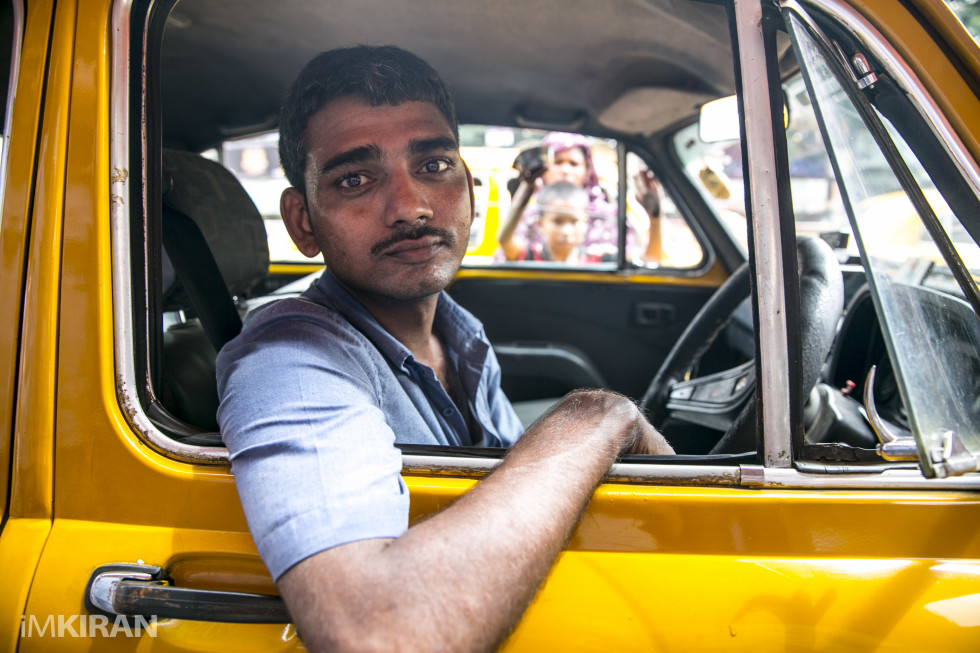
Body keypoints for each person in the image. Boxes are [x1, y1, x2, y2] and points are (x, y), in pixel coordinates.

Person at [216, 45, 673, 652]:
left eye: (432, 165)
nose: (410, 208)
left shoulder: (458, 334)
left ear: (473, 192)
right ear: (303, 222)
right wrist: (595, 416)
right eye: (356, 179)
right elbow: (379, 635)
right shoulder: (289, 360)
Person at [500, 131, 665, 264]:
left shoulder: (611, 218)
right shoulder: (527, 216)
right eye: (558, 162)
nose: (565, 170)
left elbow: (644, 262)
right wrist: (527, 186)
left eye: (573, 164)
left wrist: (655, 216)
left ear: (587, 169)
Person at [500, 181, 609, 264]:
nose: (566, 231)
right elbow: (504, 240)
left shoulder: (596, 260)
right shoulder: (531, 257)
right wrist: (527, 187)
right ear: (540, 224)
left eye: (574, 221)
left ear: (585, 224)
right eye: (558, 222)